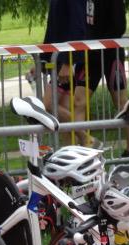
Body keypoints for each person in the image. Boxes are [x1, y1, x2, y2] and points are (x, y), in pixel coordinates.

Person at [71, 0, 129, 150]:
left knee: (121, 103)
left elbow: (120, 27)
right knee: (78, 101)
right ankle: (83, 147)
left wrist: (99, 44)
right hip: (89, 56)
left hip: (112, 54)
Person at [38, 0, 88, 146]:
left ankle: (86, 138)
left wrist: (68, 62)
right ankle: (71, 152)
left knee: (49, 104)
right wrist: (41, 61)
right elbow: (52, 30)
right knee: (63, 110)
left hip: (69, 60)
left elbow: (78, 27)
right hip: (61, 59)